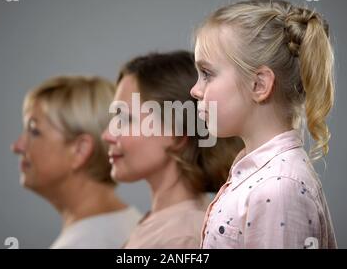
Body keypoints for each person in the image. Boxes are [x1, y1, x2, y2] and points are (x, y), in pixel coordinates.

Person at [190, 0, 337, 248]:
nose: (195, 90)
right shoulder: (257, 173)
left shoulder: (278, 189)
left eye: (207, 74)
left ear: (259, 85)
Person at [102, 51, 243, 248]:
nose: (107, 135)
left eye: (125, 119)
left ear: (177, 135)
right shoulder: (167, 226)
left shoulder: (180, 239)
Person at [11, 75, 142, 249]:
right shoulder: (134, 224)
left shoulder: (86, 243)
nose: (17, 146)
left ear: (80, 150)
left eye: (34, 131)